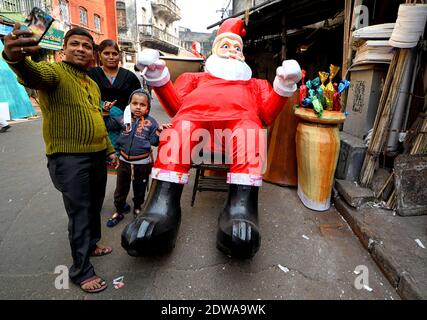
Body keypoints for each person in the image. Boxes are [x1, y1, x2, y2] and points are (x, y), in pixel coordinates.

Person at [121, 18, 302, 259]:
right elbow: (176, 108)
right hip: (194, 123)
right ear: (214, 50)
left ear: (242, 55)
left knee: (251, 133)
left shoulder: (255, 84)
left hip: (240, 127)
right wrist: (158, 77)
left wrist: (283, 85)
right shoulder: (193, 79)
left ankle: (241, 210)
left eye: (237, 48)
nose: (232, 53)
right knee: (178, 130)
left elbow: (267, 116)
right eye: (225, 46)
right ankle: (159, 208)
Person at [2, 25, 118, 293]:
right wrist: (16, 59)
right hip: (69, 158)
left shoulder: (91, 83)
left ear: (93, 54)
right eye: (75, 44)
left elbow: (97, 120)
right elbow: (32, 75)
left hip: (97, 155)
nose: (81, 49)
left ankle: (92, 244)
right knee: (79, 213)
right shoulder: (54, 73)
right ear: (63, 49)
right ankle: (81, 270)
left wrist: (110, 149)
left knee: (93, 206)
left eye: (87, 46)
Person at [103, 89, 170, 227]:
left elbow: (154, 142)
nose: (138, 107)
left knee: (140, 188)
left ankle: (138, 208)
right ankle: (119, 210)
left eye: (142, 104)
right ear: (129, 105)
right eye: (134, 103)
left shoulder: (151, 123)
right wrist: (105, 112)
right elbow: (108, 124)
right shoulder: (123, 118)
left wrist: (158, 132)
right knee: (120, 189)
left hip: (142, 164)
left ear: (148, 108)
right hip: (123, 162)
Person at [88, 40, 141, 151]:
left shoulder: (129, 77)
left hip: (124, 127)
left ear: (119, 55)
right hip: (97, 127)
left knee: (123, 160)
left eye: (114, 54)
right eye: (106, 53)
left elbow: (140, 100)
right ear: (100, 55)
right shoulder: (91, 75)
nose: (111, 57)